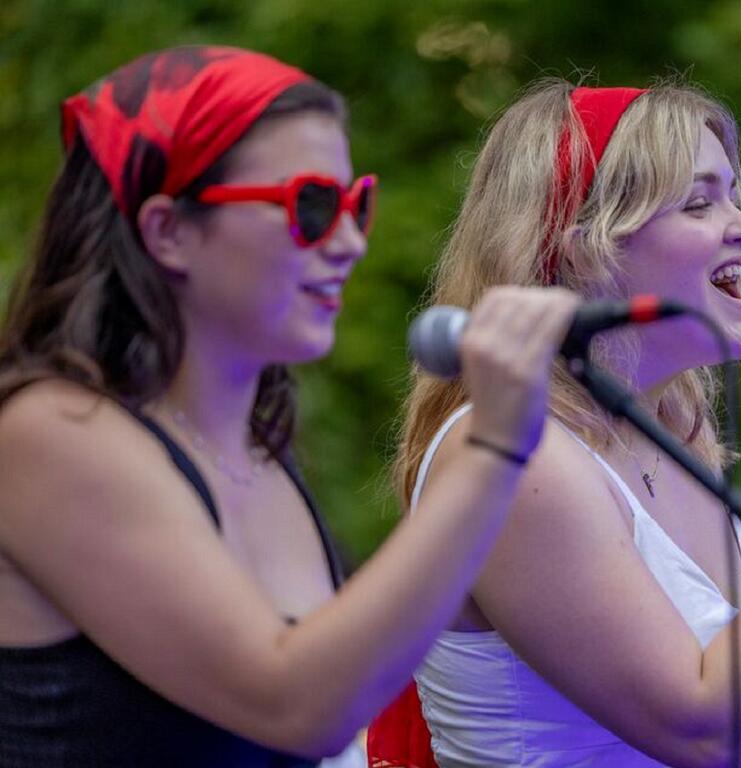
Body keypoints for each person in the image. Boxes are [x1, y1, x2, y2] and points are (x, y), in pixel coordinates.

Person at [368, 80, 741, 767]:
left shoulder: (671, 433)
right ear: (581, 248)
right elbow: (707, 727)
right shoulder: (521, 455)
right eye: (698, 202)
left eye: (733, 197)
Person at [0, 46, 580, 767]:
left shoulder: (255, 452)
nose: (349, 242)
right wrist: (491, 453)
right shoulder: (50, 434)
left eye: (354, 203)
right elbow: (297, 705)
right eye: (309, 205)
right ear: (167, 231)